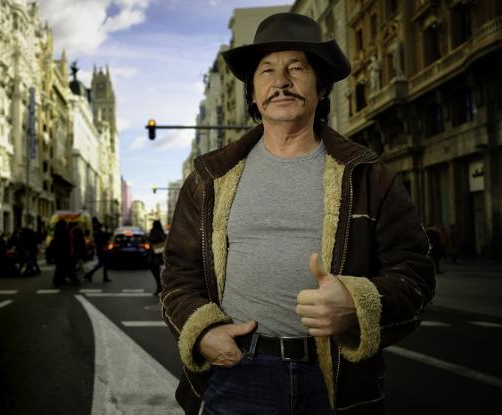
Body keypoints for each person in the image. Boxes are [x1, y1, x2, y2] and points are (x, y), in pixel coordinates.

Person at [160, 13, 435, 415]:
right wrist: (202, 330)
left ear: (321, 87)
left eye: (296, 68)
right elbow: (177, 272)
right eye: (267, 71)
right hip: (237, 372)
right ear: (253, 94)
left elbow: (415, 274)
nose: (281, 81)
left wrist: (358, 305)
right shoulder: (210, 178)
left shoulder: (369, 176)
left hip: (339, 379)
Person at [84, 218, 111, 283]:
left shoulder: (98, 232)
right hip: (102, 250)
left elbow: (106, 237)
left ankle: (91, 275)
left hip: (101, 249)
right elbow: (103, 240)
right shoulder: (98, 233)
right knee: (102, 264)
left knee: (102, 264)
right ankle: (90, 274)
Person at [50, 219, 72, 287]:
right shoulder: (64, 232)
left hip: (58, 253)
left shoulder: (57, 232)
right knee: (62, 268)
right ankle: (58, 281)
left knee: (59, 267)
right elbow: (66, 243)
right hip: (63, 253)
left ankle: (59, 280)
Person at [147, 220, 167, 296]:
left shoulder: (154, 231)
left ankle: (160, 287)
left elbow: (154, 239)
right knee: (157, 270)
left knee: (154, 268)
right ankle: (160, 286)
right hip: (159, 253)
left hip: (155, 254)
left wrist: (148, 237)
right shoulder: (161, 231)